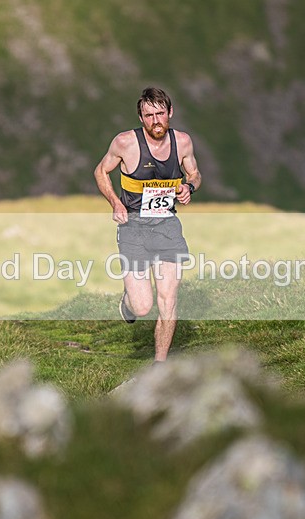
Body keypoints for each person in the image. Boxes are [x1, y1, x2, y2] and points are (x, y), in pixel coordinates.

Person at [94, 87, 202, 362]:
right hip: (134, 228)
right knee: (143, 307)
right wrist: (115, 203)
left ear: (170, 112)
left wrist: (189, 187)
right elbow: (101, 171)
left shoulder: (184, 143)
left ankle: (159, 364)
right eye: (149, 115)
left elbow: (195, 173)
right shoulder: (125, 143)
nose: (156, 121)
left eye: (160, 114)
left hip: (168, 226)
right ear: (141, 118)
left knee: (168, 300)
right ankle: (129, 303)